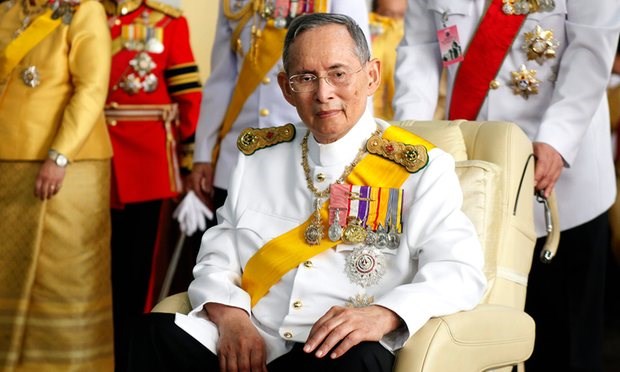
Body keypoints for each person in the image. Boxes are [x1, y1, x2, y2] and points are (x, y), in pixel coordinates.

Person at [128, 13, 486, 372]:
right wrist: (231, 316)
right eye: (306, 78)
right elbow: (217, 257)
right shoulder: (258, 159)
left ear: (372, 75)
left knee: (359, 360)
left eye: (338, 73)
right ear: (286, 88)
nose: (324, 93)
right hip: (255, 342)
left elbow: (460, 271)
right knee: (154, 333)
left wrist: (385, 314)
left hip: (336, 352)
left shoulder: (418, 169)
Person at [393, 1, 620, 371]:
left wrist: (558, 140)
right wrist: (411, 140)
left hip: (560, 177)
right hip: (475, 174)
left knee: (566, 342)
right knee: (484, 338)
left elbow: (592, 48)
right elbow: (419, 48)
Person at [0, 0, 114, 370]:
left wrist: (59, 155)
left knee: (62, 279)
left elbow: (92, 89)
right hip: (9, 162)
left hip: (67, 169)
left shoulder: (84, 10)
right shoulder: (11, 11)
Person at [188, 0, 371, 228]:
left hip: (308, 155)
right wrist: (203, 154)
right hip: (236, 156)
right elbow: (221, 80)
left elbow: (355, 75)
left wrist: (357, 156)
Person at [100, 0, 203, 369]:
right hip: (86, 162)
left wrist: (191, 164)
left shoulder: (166, 21)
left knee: (136, 276)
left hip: (145, 166)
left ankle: (128, 358)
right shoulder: (83, 13)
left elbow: (189, 95)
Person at [369, 0, 407, 120]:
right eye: (388, 14)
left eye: (400, 15)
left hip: (403, 120)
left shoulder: (416, 32)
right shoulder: (366, 28)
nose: (394, 19)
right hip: (368, 119)